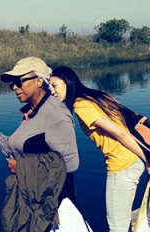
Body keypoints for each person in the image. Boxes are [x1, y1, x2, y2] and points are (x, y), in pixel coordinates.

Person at [50, 66, 145, 232]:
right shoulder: (97, 96)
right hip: (133, 159)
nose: (52, 91)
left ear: (67, 82)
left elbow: (120, 133)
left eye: (54, 85)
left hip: (122, 164)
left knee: (117, 227)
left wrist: (147, 158)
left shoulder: (81, 105)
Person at [0, 57, 79, 202]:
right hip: (32, 196)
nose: (15, 88)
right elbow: (22, 149)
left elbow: (68, 163)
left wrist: (23, 168)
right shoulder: (31, 111)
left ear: (39, 81)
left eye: (19, 82)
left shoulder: (56, 112)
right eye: (12, 85)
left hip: (53, 203)